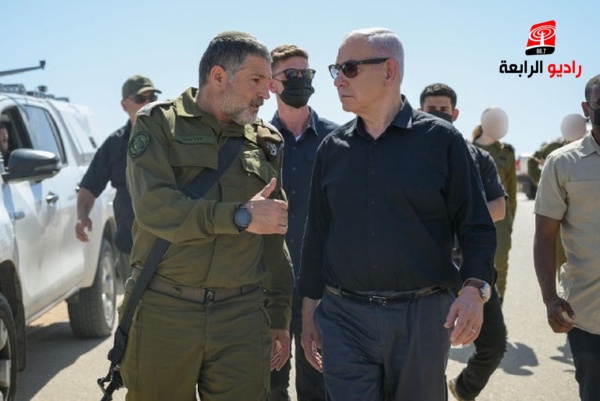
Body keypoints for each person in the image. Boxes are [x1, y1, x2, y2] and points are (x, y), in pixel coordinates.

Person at [299, 28, 497, 401]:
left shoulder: (443, 141)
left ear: (389, 71)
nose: (338, 80)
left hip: (422, 319)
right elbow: (317, 235)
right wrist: (308, 309)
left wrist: (474, 289)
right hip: (344, 319)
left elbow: (476, 226)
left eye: (349, 68)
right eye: (336, 70)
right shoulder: (332, 149)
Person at [122, 31, 294, 401]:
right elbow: (155, 207)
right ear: (218, 76)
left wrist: (280, 314)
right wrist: (240, 217)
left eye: (268, 82)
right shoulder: (158, 124)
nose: (266, 93)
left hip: (241, 316)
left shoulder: (267, 140)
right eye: (256, 80)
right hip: (166, 311)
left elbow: (273, 233)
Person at [420, 83, 508, 401]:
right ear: (419, 111)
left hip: (472, 268)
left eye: (443, 109)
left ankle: (463, 388)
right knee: (428, 356)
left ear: (455, 113)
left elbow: (499, 207)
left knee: (494, 344)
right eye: (431, 109)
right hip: (427, 272)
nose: (438, 114)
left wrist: (463, 214)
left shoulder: (479, 157)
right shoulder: (410, 156)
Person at [267, 44, 339, 401]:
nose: (300, 80)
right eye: (290, 75)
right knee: (270, 384)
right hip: (269, 287)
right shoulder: (256, 141)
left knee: (318, 386)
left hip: (322, 288)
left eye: (305, 74)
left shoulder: (337, 139)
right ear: (271, 83)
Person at [533, 73, 600, 401]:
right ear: (587, 109)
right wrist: (550, 298)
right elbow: (545, 236)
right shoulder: (562, 163)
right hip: (589, 315)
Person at [75, 75, 161, 285]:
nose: (148, 103)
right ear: (125, 105)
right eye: (140, 99)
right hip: (130, 247)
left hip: (170, 246)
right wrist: (82, 216)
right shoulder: (114, 144)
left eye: (152, 98)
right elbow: (89, 186)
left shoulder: (172, 137)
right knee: (135, 303)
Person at [529, 113, 588, 272]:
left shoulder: (590, 149)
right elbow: (532, 161)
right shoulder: (554, 149)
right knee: (561, 256)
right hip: (557, 207)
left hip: (581, 209)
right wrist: (541, 181)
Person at [472, 107, 516, 301]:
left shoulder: (506, 152)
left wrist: (509, 223)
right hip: (473, 220)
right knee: (473, 270)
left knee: (499, 268)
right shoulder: (466, 148)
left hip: (500, 222)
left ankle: (497, 310)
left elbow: (511, 192)